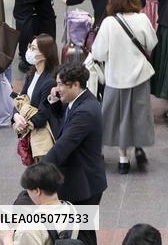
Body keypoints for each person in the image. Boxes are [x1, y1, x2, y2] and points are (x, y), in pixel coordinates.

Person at [91, 0, 158, 174]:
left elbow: (99, 52)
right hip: (139, 76)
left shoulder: (109, 23)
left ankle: (122, 159)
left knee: (117, 117)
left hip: (115, 78)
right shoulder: (142, 19)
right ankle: (139, 145)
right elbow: (152, 43)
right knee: (138, 114)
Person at [43, 62, 108, 232]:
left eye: (60, 84)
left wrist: (38, 171)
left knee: (81, 234)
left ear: (76, 84)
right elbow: (64, 125)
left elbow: (63, 145)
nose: (57, 89)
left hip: (84, 184)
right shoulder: (77, 101)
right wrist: (56, 102)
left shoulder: (85, 111)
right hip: (79, 179)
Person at [12, 34, 60, 156]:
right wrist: (16, 117)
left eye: (33, 48)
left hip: (44, 139)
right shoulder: (32, 73)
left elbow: (41, 117)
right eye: (30, 47)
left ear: (44, 54)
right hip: (31, 131)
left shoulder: (50, 81)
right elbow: (20, 100)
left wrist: (22, 123)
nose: (29, 51)